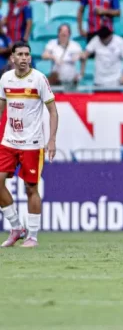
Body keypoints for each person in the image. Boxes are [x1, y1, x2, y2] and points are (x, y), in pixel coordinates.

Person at [0, 42, 59, 249]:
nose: (24, 58)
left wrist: (51, 139)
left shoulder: (39, 79)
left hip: (32, 143)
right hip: (8, 141)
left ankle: (32, 236)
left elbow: (52, 111)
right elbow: (1, 111)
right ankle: (16, 228)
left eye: (27, 54)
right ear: (13, 58)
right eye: (20, 54)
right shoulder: (5, 79)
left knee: (30, 187)